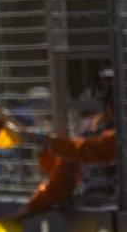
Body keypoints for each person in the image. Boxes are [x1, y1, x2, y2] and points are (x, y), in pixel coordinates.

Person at [15, 68, 117, 217]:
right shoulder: (91, 127)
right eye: (104, 88)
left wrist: (47, 140)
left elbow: (86, 149)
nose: (107, 94)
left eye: (112, 89)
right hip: (93, 210)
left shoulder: (118, 134)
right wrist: (31, 208)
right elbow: (63, 174)